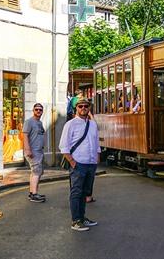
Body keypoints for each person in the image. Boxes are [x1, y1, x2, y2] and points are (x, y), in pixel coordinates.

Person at [60, 98, 100, 231]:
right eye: (80, 106)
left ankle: (82, 218)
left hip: (91, 163)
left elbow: (96, 143)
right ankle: (76, 221)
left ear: (89, 108)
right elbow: (64, 146)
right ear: (76, 108)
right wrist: (72, 162)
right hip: (78, 163)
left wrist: (97, 158)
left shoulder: (93, 124)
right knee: (76, 192)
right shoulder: (70, 124)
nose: (83, 108)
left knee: (85, 192)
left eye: (86, 106)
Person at [23, 103, 46, 203]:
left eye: (40, 110)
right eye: (36, 109)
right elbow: (24, 136)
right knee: (37, 172)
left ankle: (32, 192)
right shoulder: (29, 122)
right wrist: (28, 150)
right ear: (33, 110)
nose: (38, 111)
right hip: (33, 151)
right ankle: (34, 195)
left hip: (39, 151)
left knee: (36, 172)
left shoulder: (39, 123)